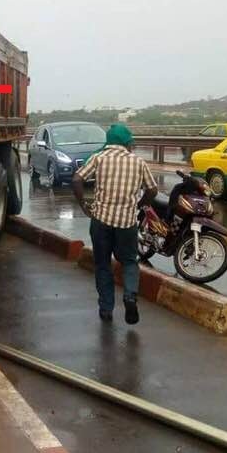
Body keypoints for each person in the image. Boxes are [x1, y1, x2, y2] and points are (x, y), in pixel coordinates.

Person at [72, 124, 158, 324]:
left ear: (109, 141)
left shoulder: (99, 158)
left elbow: (77, 179)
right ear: (127, 143)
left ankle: (106, 309)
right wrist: (140, 204)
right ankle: (129, 296)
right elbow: (152, 190)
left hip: (101, 220)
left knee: (102, 264)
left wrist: (84, 204)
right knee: (129, 261)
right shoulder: (138, 162)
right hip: (127, 222)